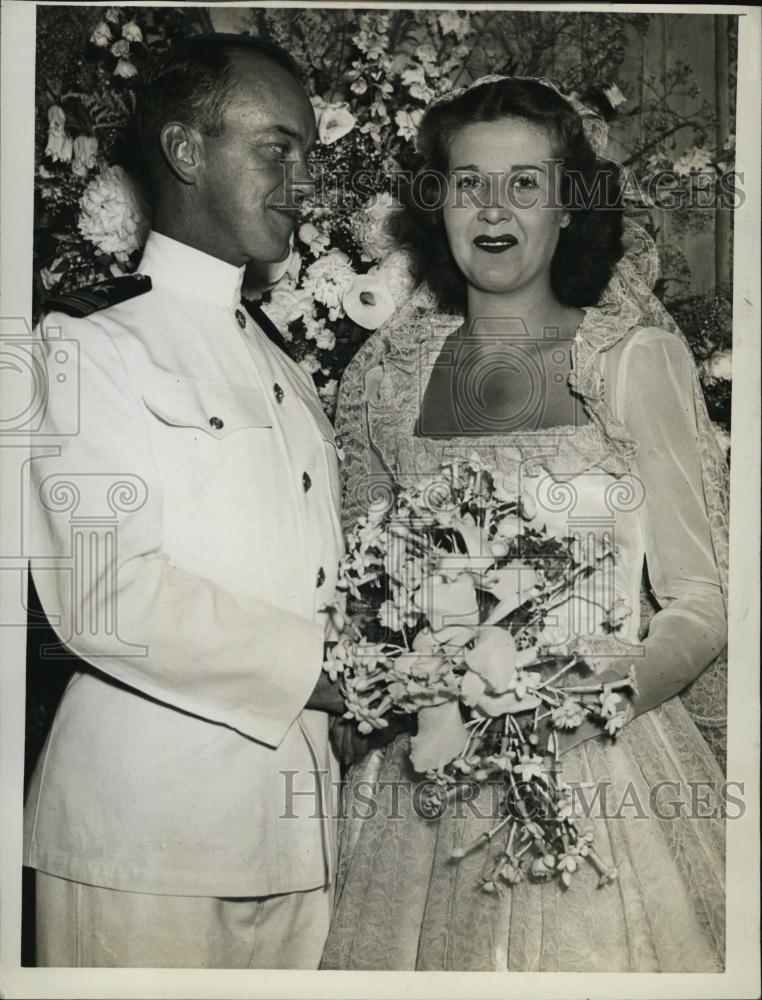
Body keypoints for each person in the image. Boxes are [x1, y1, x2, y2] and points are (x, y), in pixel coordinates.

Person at [321, 77, 728, 972]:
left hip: (604, 768)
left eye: (524, 184)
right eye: (468, 183)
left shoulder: (629, 361)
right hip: (423, 783)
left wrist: (583, 702)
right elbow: (358, 606)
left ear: (569, 209)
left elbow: (701, 604)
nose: (493, 209)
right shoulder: (387, 379)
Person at [24, 35, 349, 969]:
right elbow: (103, 599)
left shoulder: (285, 366)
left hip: (299, 835)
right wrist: (328, 668)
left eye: (310, 155)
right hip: (143, 844)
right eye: (277, 148)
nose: (303, 181)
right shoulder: (89, 345)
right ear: (186, 151)